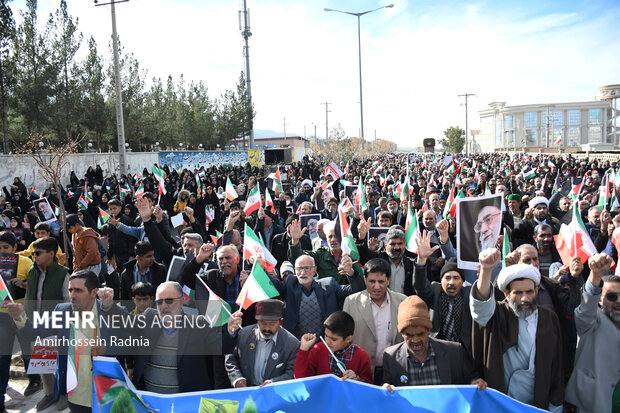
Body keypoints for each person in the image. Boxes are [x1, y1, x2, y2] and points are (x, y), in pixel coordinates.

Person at [7, 270, 119, 413]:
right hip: (76, 396)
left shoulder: (111, 312)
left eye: (78, 290)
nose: (72, 295)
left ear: (94, 292)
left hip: (107, 393)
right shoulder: (63, 311)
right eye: (70, 290)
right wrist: (20, 317)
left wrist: (107, 349)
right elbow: (35, 332)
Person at [470, 249, 564, 411]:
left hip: (538, 403)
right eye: (518, 293)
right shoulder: (497, 314)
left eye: (529, 292)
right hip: (503, 401)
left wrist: (555, 404)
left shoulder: (549, 318)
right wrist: (486, 270)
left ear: (536, 291)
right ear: (506, 293)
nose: (524, 298)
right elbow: (481, 308)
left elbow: (557, 366)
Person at [100, 281, 221, 393]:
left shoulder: (198, 324)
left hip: (184, 402)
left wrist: (231, 332)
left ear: (181, 301)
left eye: (169, 301)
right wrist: (109, 305)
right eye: (159, 301)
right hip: (150, 401)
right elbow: (125, 321)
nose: (163, 306)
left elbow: (220, 347)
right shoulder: (150, 317)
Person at [381, 295, 486, 391]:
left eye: (420, 334)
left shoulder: (455, 352)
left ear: (428, 331)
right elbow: (386, 390)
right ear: (402, 334)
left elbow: (472, 378)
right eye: (409, 335)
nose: (415, 340)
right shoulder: (391, 357)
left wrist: (476, 382)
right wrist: (386, 389)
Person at [565, 254, 619, 413]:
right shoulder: (591, 321)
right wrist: (595, 274)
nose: (618, 301)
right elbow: (587, 307)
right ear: (600, 300)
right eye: (611, 296)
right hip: (591, 405)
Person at [343, 258, 407, 384]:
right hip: (360, 374)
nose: (376, 286)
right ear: (365, 280)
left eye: (381, 281)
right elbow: (345, 341)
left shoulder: (402, 302)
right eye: (372, 281)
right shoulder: (351, 302)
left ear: (388, 280)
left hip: (394, 373)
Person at [269, 255, 364, 339]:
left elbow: (357, 290)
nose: (302, 272)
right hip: (296, 344)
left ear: (314, 270)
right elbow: (272, 284)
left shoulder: (329, 285)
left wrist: (350, 272)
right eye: (299, 269)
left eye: (307, 268)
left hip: (324, 345)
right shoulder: (290, 285)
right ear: (294, 271)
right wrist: (261, 267)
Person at [24, 237, 70, 411]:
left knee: (62, 363)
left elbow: (68, 301)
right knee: (43, 362)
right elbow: (30, 296)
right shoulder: (32, 271)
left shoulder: (63, 273)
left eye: (38, 253)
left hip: (56, 326)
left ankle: (65, 394)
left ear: (51, 253)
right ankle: (49, 393)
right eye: (33, 253)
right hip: (37, 324)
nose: (34, 256)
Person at [225, 299, 300, 387]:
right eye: (263, 323)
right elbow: (231, 359)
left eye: (272, 324)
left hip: (274, 394)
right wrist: (237, 378)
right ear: (257, 320)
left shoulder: (292, 344)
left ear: (280, 322)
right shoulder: (243, 334)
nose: (267, 328)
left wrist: (274, 383)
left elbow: (292, 372)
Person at [0, 231, 35, 410]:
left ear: (15, 248)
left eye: (6, 248)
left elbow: (35, 287)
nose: (2, 251)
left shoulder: (27, 263)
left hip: (22, 313)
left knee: (27, 349)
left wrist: (22, 284)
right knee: (3, 355)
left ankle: (35, 380)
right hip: (2, 315)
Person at [413, 256, 473, 353]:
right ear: (441, 280)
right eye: (447, 278)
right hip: (437, 349)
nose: (451, 282)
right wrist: (421, 261)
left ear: (462, 281)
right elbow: (420, 286)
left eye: (456, 278)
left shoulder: (469, 294)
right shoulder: (435, 290)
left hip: (464, 351)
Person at [294, 311, 373, 384]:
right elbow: (300, 379)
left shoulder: (361, 356)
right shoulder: (318, 349)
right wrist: (303, 350)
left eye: (333, 339)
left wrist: (357, 380)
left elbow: (369, 387)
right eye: (326, 336)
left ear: (348, 339)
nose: (327, 341)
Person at [288, 220, 362, 285]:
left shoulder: (351, 254)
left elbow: (361, 280)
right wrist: (295, 240)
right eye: (330, 237)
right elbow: (298, 258)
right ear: (326, 238)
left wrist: (350, 271)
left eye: (336, 236)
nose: (333, 239)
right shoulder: (320, 254)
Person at [117, 241, 167, 310]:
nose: (153, 258)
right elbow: (124, 300)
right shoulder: (126, 274)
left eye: (153, 255)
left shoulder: (160, 270)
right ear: (138, 258)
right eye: (149, 256)